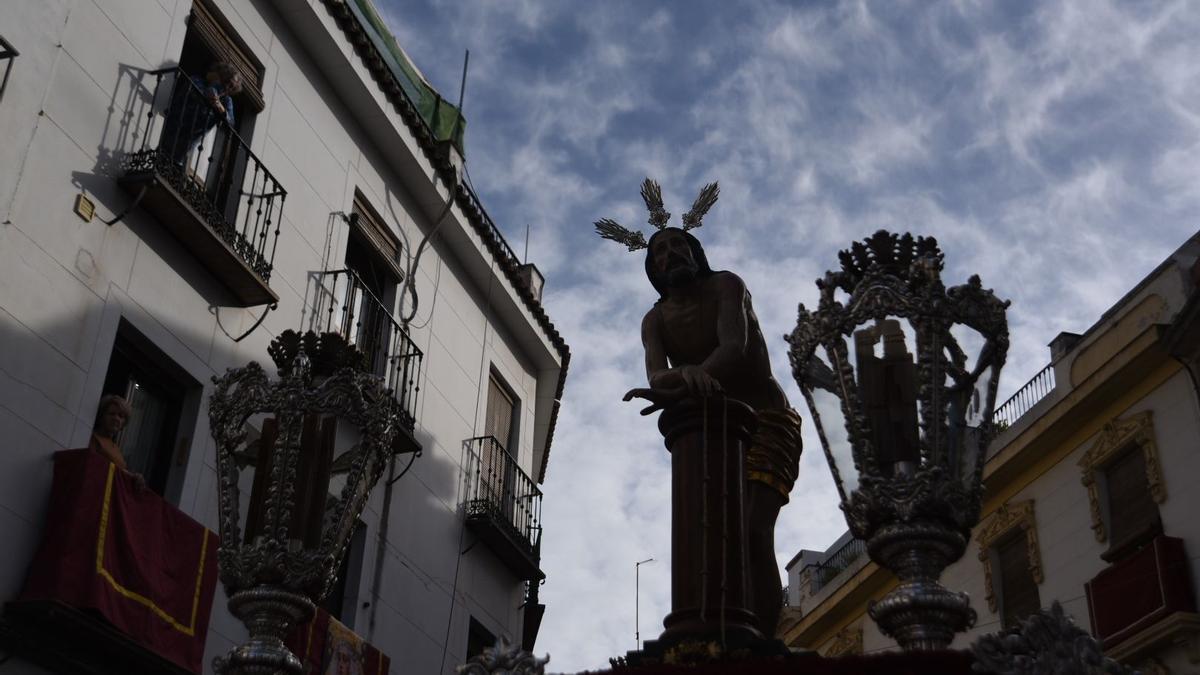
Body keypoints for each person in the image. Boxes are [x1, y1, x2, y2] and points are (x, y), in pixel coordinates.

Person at [600, 181, 803, 637]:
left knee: (752, 532)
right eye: (660, 252)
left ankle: (764, 640)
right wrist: (680, 380)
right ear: (651, 268)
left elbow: (735, 347)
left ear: (696, 252)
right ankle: (721, 631)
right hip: (712, 433)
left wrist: (693, 375)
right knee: (716, 543)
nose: (670, 254)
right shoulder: (654, 321)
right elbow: (656, 377)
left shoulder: (727, 286)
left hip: (766, 421)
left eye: (678, 245)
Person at [160, 62, 243, 168]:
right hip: (170, 132)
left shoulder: (226, 101)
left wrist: (219, 106)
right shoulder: (197, 80)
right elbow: (201, 94)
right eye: (226, 82)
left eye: (231, 87)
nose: (227, 88)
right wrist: (213, 89)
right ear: (219, 76)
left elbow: (231, 124)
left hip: (184, 148)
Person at [90, 394, 146, 489]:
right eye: (112, 414)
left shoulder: (116, 449)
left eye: (121, 416)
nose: (116, 418)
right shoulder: (92, 438)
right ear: (101, 416)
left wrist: (135, 477)